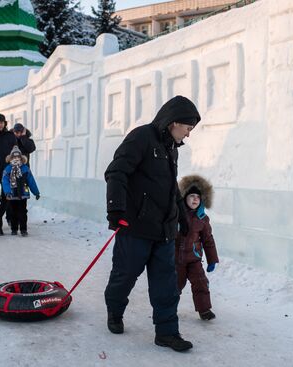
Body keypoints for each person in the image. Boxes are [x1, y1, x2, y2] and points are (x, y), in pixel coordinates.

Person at [104, 95, 200, 352]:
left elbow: (170, 188)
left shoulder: (171, 148)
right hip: (135, 227)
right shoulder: (141, 138)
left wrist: (181, 216)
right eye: (188, 128)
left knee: (166, 285)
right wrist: (116, 210)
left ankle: (167, 333)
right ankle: (114, 311)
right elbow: (116, 172)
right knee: (124, 276)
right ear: (174, 122)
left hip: (164, 231)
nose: (189, 134)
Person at [176, 174, 219, 321]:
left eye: (198, 197)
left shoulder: (202, 218)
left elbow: (208, 240)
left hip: (194, 259)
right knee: (175, 285)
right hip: (176, 260)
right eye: (192, 196)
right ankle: (169, 307)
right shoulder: (175, 215)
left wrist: (212, 259)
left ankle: (204, 310)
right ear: (184, 198)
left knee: (201, 282)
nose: (195, 199)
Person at [1, 146, 40, 237]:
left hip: (23, 193)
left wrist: (36, 192)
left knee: (23, 212)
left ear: (21, 158)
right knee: (13, 212)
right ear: (11, 158)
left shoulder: (25, 169)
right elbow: (5, 182)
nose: (16, 159)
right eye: (14, 157)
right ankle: (14, 229)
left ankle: (23, 229)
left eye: (18, 157)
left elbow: (31, 181)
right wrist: (7, 192)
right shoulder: (8, 169)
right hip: (12, 194)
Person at [6, 123, 36, 226]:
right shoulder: (9, 140)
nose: (18, 134)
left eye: (20, 132)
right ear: (13, 132)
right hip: (11, 173)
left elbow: (31, 148)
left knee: (23, 197)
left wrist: (23, 137)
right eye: (16, 132)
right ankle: (10, 218)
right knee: (12, 198)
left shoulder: (27, 140)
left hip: (23, 174)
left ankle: (21, 220)